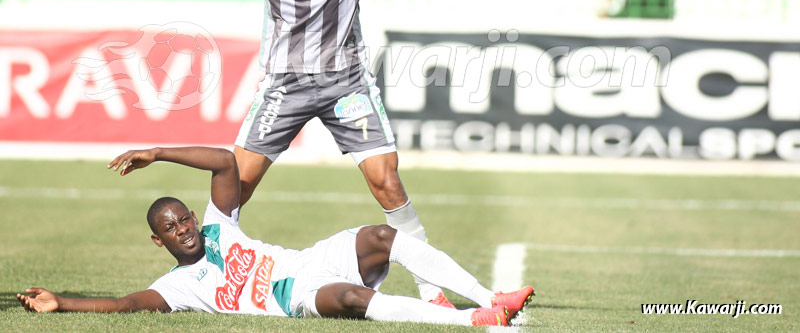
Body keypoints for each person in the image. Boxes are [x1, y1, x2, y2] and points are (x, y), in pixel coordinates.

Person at [173, 0, 454, 305]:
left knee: (387, 182)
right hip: (285, 82)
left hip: (347, 83)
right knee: (237, 188)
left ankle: (432, 291)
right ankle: (207, 277)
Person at [16, 146, 534, 327]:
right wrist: (62, 302)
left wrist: (158, 152)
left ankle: (492, 296)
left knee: (379, 233)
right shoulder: (178, 288)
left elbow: (223, 161)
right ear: (160, 242)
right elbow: (127, 303)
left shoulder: (218, 224)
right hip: (298, 298)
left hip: (308, 259)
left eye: (184, 219)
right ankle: (470, 318)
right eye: (170, 229)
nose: (183, 230)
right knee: (353, 298)